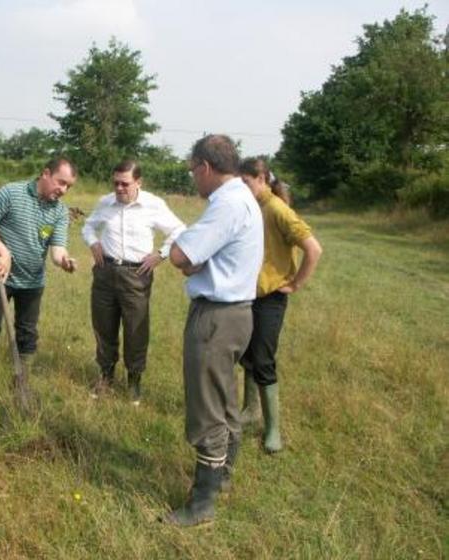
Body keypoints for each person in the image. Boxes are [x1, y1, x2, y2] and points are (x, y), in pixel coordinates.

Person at [162, 135, 263, 527]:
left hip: (216, 318)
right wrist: (195, 260)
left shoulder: (225, 205)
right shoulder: (245, 198)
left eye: (192, 172)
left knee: (207, 410)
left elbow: (179, 255)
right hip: (239, 313)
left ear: (205, 167)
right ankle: (222, 479)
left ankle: (202, 503)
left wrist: (191, 260)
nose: (193, 180)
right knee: (225, 400)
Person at [82, 160, 185, 405]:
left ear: (138, 182)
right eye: (115, 183)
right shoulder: (105, 202)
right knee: (103, 326)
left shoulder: (153, 205)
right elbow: (87, 226)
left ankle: (134, 382)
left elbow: (179, 229)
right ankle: (105, 377)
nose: (119, 188)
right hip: (105, 271)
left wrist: (161, 254)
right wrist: (93, 242)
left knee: (135, 329)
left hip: (136, 274)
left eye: (125, 184)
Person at [238, 157, 322, 452]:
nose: (242, 188)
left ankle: (273, 429)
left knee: (263, 358)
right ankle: (250, 412)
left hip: (271, 298)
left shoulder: (276, 208)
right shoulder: (254, 207)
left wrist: (295, 284)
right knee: (247, 354)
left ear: (261, 179)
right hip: (249, 294)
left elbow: (313, 249)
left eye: (246, 182)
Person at [0, 158, 78, 377]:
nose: (64, 190)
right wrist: (3, 251)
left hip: (32, 282)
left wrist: (64, 261)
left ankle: (21, 381)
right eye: (61, 182)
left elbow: (57, 251)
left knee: (27, 334)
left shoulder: (59, 212)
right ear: (45, 173)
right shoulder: (12, 193)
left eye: (69, 186)